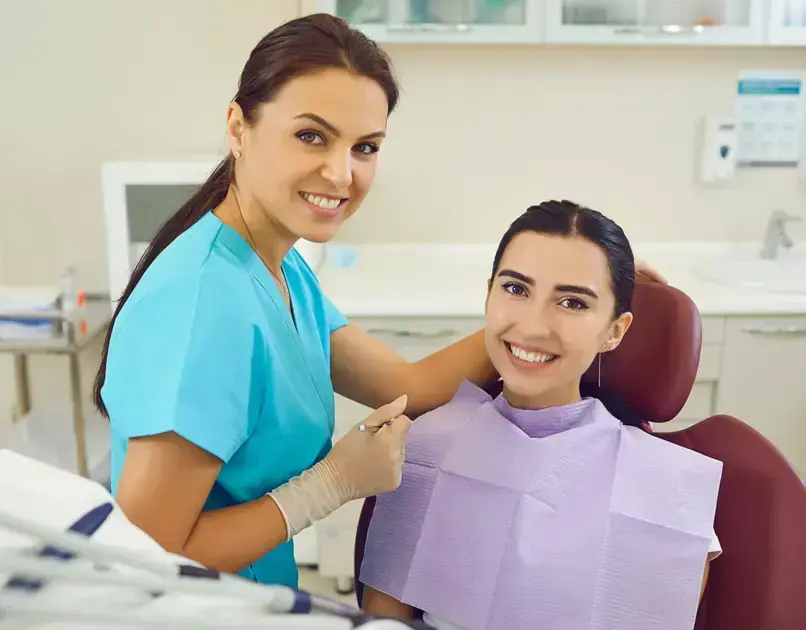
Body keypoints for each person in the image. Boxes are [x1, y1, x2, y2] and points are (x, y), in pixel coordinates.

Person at [93, 14, 667, 590]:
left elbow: (408, 386)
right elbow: (142, 553)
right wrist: (328, 485)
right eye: (311, 135)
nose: (341, 173)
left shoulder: (277, 266)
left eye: (364, 147)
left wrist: (527, 316)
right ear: (239, 128)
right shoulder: (204, 304)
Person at [360, 200, 722, 630]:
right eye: (516, 289)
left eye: (572, 302)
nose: (533, 326)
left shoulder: (663, 492)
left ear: (616, 330)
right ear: (488, 294)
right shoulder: (424, 447)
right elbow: (383, 623)